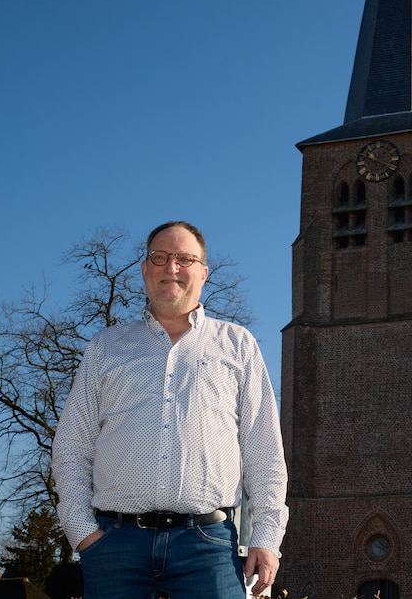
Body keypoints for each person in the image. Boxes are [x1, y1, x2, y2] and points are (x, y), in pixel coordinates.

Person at [52, 221, 288, 598]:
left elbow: (264, 451)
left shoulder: (237, 345)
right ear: (145, 270)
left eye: (184, 258)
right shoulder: (106, 347)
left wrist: (267, 536)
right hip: (114, 546)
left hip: (208, 547)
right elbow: (72, 445)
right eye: (159, 258)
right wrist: (83, 533)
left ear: (204, 272)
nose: (171, 267)